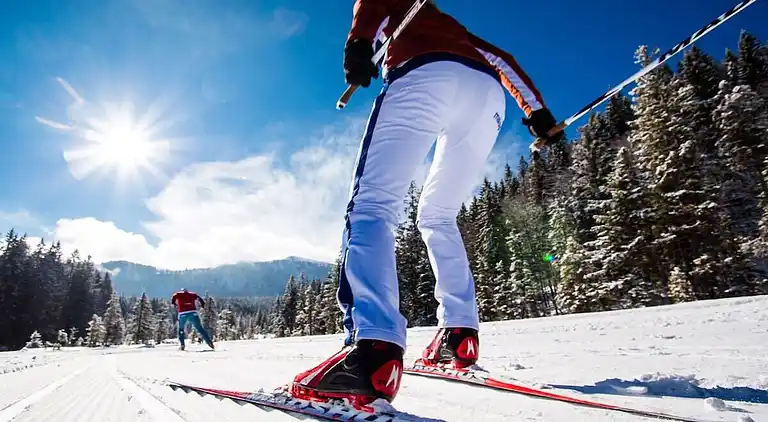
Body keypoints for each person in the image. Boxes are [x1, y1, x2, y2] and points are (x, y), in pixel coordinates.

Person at [291, 0, 562, 408]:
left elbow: (370, 5)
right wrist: (538, 113)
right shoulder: (448, 25)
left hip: (425, 77)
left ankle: (371, 353)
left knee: (372, 205)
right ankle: (459, 335)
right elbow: (502, 59)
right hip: (486, 96)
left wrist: (359, 45)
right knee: (437, 214)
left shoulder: (403, 9)